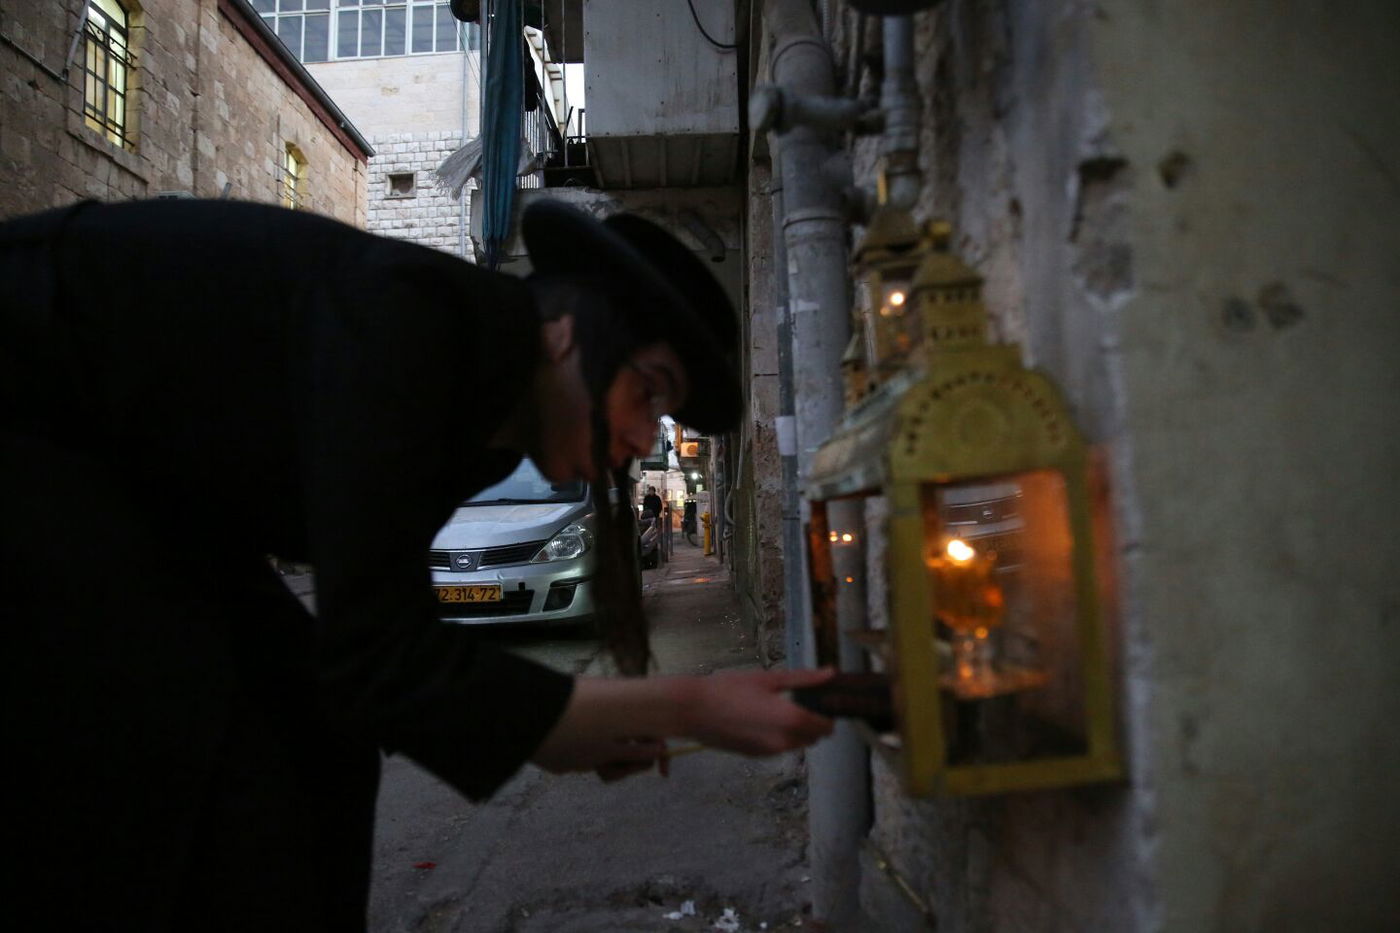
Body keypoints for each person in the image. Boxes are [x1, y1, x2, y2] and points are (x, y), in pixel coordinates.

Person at [0, 198, 833, 931]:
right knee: (164, 730)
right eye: (649, 391)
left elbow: (383, 658)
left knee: (310, 732)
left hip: (148, 493)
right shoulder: (415, 321)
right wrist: (691, 706)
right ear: (567, 331)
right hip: (34, 402)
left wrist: (567, 727)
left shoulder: (484, 419)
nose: (647, 437)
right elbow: (380, 658)